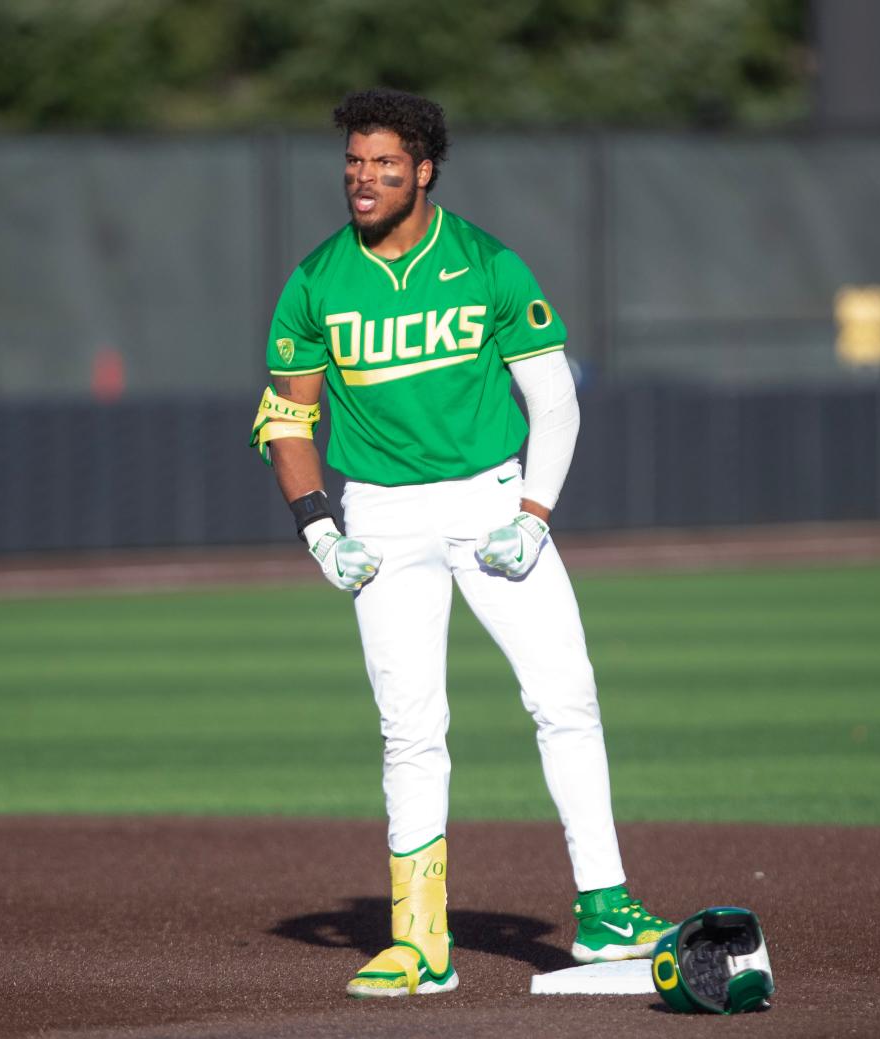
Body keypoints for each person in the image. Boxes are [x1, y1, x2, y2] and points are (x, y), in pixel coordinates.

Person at [250, 88, 673, 999]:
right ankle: (420, 939)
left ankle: (605, 909)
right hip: (380, 518)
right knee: (411, 731)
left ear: (425, 170)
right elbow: (286, 415)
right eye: (354, 164)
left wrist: (533, 514)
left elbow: (553, 399)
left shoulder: (487, 263)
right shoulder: (317, 279)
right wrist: (319, 528)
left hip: (489, 505)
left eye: (384, 165)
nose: (364, 180)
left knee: (564, 697)